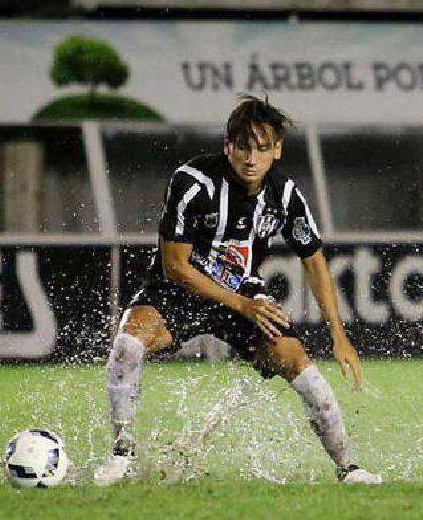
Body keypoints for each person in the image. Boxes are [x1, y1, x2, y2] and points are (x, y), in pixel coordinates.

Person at [94, 94, 382, 485]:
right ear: (227, 145)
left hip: (242, 294)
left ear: (277, 149)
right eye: (243, 146)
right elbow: (175, 266)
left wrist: (339, 335)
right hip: (178, 289)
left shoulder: (284, 195)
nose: (251, 158)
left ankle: (349, 468)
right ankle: (123, 454)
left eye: (262, 148)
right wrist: (244, 305)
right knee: (127, 345)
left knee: (302, 368)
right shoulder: (192, 183)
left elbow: (313, 260)